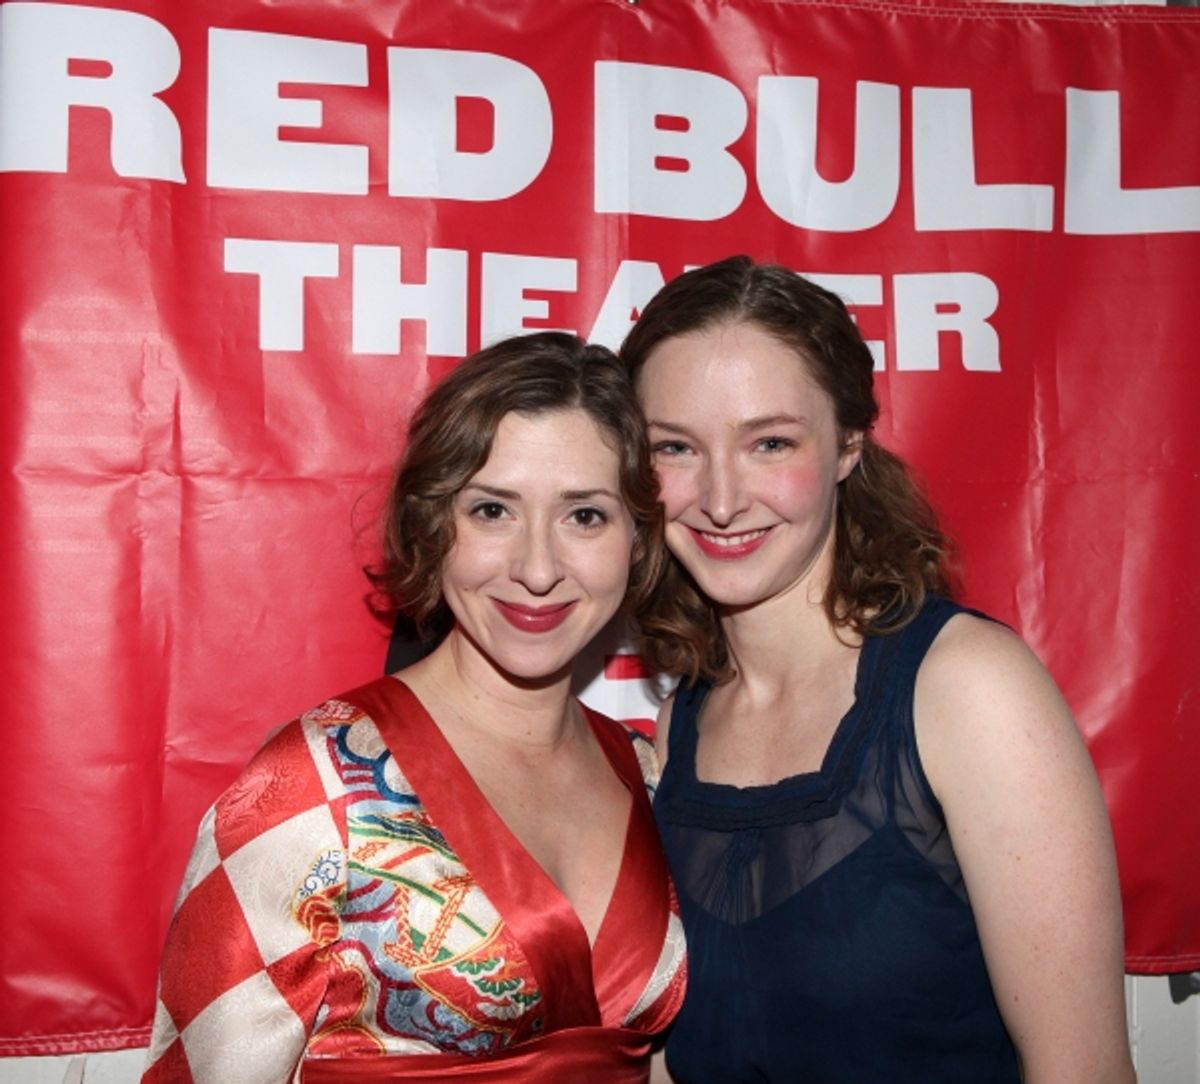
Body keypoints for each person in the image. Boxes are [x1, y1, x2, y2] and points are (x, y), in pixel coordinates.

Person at [620, 256, 1134, 1084]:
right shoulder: (685, 723)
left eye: (770, 442)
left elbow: (1084, 1072)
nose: (719, 499)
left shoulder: (967, 690)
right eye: (674, 448)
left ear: (849, 447)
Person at [142, 332, 686, 1083]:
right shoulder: (314, 787)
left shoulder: (648, 775)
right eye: (493, 510)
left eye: (584, 516)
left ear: (638, 539)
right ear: (435, 527)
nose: (536, 567)